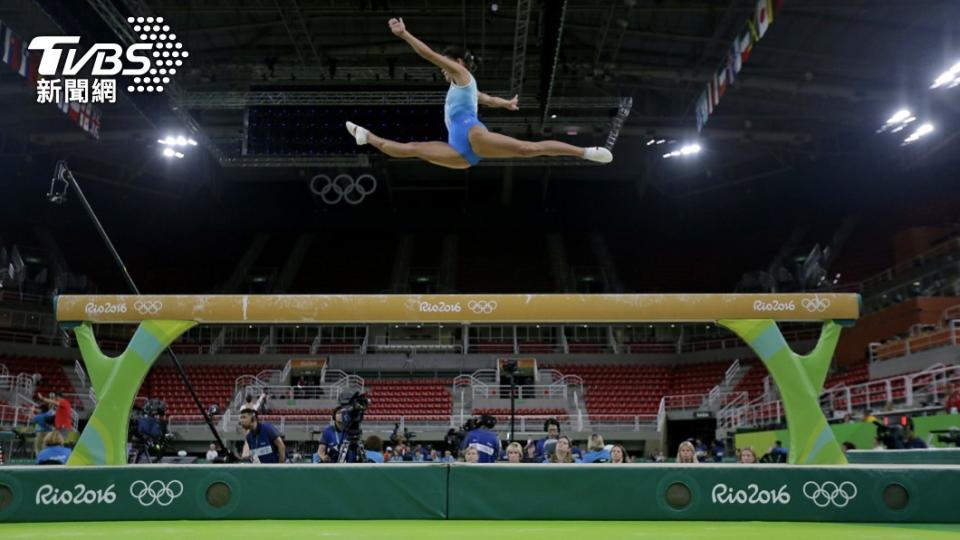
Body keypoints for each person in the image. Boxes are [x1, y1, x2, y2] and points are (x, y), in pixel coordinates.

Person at [345, 18, 613, 169]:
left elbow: (428, 54)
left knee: (527, 149)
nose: (442, 69)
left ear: (457, 61)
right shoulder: (463, 87)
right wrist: (507, 103)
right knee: (410, 149)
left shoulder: (462, 75)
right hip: (460, 152)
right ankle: (366, 136)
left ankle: (585, 152)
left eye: (446, 63)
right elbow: (486, 99)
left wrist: (405, 35)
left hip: (473, 134)